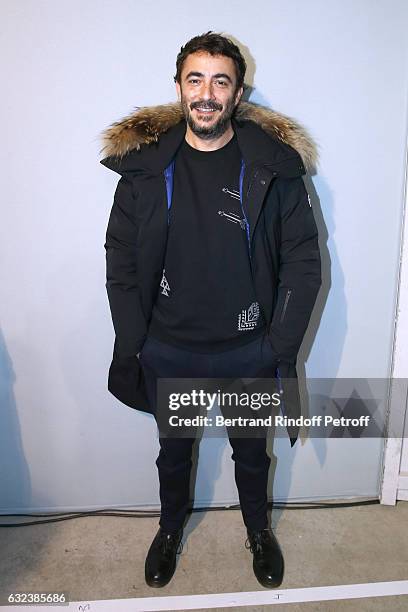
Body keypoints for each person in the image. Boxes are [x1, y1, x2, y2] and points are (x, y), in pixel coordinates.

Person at [100, 31, 321, 589]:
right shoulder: (148, 170)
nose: (207, 93)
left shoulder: (273, 169)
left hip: (249, 348)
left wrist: (278, 346)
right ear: (178, 89)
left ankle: (258, 530)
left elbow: (302, 259)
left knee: (253, 455)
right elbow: (120, 257)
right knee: (172, 456)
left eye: (220, 80)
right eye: (195, 79)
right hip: (170, 347)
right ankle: (170, 529)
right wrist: (137, 341)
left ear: (237, 93)